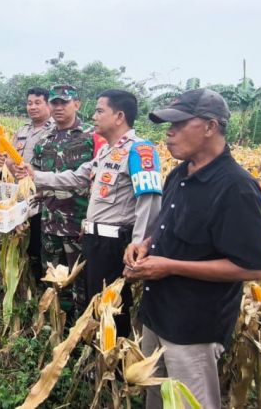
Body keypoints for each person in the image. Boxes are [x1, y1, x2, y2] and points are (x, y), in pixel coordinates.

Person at [123, 89, 261, 409]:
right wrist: (144, 247)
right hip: (156, 312)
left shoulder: (236, 187)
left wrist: (171, 266)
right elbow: (169, 228)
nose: (169, 133)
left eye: (178, 124)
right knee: (155, 396)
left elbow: (254, 267)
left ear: (210, 127)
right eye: (167, 126)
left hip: (193, 328)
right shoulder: (179, 173)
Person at [16, 90, 162, 337]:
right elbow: (76, 177)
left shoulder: (140, 151)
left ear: (119, 117)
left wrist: (138, 244)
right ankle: (97, 359)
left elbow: (149, 202)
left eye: (99, 110)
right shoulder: (107, 152)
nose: (93, 116)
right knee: (98, 301)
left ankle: (114, 366)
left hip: (117, 243)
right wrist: (35, 176)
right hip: (95, 240)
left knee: (113, 306)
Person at [32, 84, 95, 313]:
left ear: (76, 104)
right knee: (52, 277)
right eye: (54, 103)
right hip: (50, 223)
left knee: (80, 281)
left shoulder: (92, 137)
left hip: (78, 224)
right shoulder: (44, 141)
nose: (58, 107)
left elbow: (99, 183)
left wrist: (90, 219)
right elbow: (35, 179)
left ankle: (79, 330)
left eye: (64, 103)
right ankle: (57, 325)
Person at [2, 87, 52, 284]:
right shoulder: (22, 131)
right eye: (29, 103)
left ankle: (42, 285)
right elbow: (10, 162)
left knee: (39, 245)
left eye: (37, 102)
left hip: (42, 198)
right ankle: (24, 283)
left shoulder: (55, 130)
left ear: (48, 104)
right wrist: (4, 161)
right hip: (20, 196)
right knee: (21, 241)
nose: (32, 107)